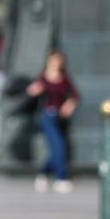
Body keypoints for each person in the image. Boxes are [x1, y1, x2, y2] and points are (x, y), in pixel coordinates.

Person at [27, 50, 81, 193]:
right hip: (47, 116)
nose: (57, 63)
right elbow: (30, 92)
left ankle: (43, 172)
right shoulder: (42, 78)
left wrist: (69, 105)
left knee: (59, 148)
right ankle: (61, 178)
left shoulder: (64, 78)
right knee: (58, 145)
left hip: (61, 117)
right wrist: (34, 90)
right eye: (54, 60)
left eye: (59, 60)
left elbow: (75, 95)